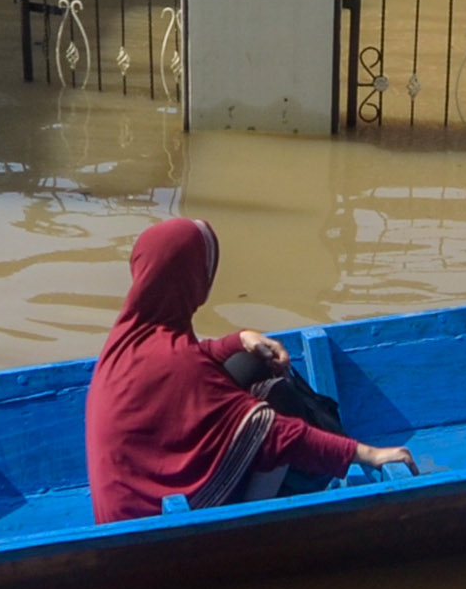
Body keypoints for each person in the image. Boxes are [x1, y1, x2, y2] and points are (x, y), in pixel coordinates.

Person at [86, 218, 408, 524]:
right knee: (270, 410)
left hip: (125, 506)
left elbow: (193, 359)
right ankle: (251, 524)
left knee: (248, 363)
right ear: (193, 281)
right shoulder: (184, 367)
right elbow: (279, 435)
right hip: (156, 527)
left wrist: (240, 339)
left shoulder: (130, 335)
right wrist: (368, 454)